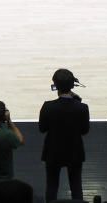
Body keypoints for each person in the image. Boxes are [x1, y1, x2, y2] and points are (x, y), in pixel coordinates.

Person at [39, 68, 89, 201]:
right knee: (76, 186)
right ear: (72, 85)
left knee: (52, 186)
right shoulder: (82, 107)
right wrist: (77, 102)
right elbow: (84, 130)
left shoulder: (48, 106)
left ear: (56, 86)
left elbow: (42, 128)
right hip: (75, 151)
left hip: (53, 151)